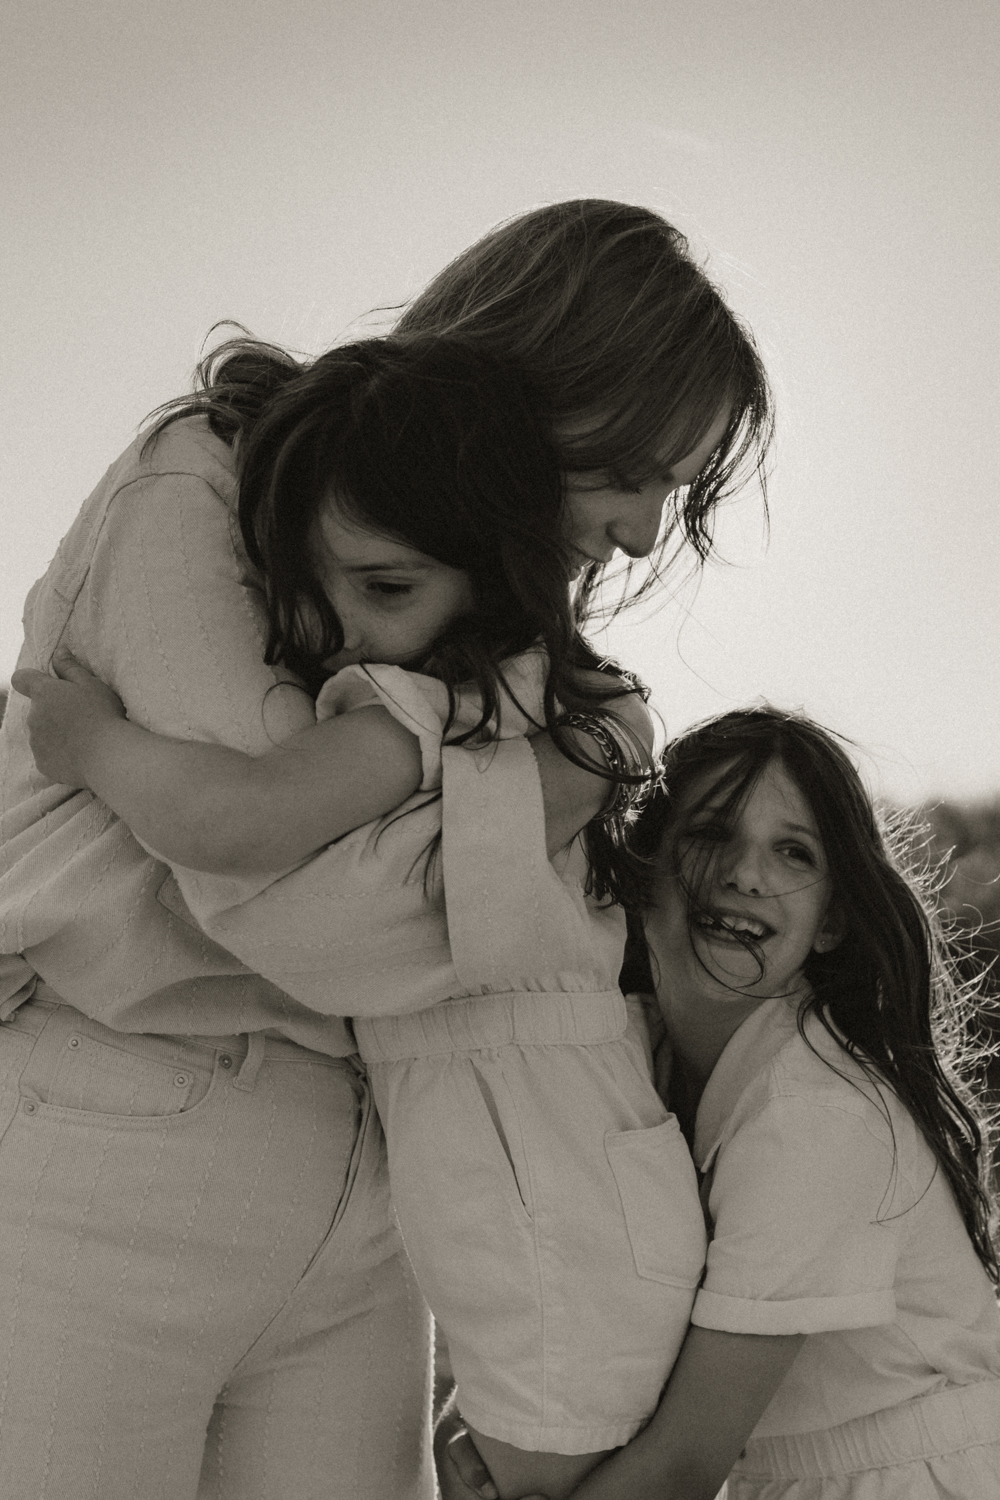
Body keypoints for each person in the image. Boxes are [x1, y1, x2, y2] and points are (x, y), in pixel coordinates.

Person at [0, 198, 772, 1500]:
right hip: (128, 1140)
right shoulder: (212, 479)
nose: (643, 533)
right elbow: (306, 908)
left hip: (376, 1170)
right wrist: (570, 767)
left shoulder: (496, 625)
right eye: (632, 470)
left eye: (672, 493)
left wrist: (575, 745)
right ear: (543, 387)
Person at [507, 707, 997, 1500]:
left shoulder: (815, 1111)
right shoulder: (625, 1056)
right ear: (643, 869)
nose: (746, 872)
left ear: (831, 920)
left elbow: (683, 1463)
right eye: (710, 833)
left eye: (793, 852)